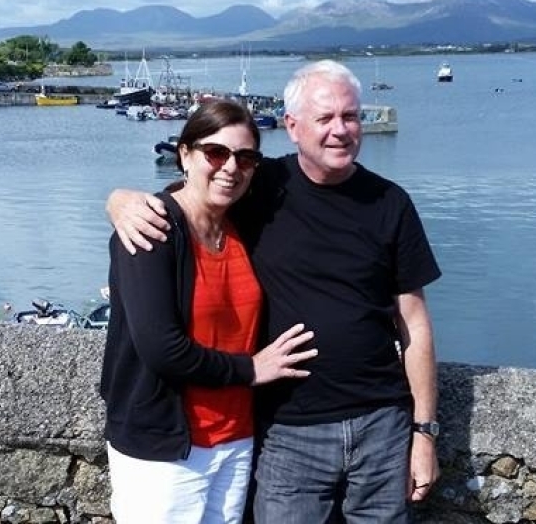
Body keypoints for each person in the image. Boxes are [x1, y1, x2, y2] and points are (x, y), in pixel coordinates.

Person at [107, 60, 441, 523]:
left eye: (350, 116)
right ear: (292, 126)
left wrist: (424, 432)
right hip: (288, 428)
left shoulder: (391, 204)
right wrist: (120, 201)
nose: (340, 130)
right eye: (324, 118)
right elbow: (195, 195)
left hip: (382, 424)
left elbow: (416, 326)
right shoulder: (263, 185)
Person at [101, 98, 319, 524]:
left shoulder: (243, 226)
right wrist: (251, 370)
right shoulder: (153, 228)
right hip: (165, 444)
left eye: (245, 157)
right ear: (184, 153)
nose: (230, 167)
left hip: (235, 438)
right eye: (215, 153)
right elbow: (161, 347)